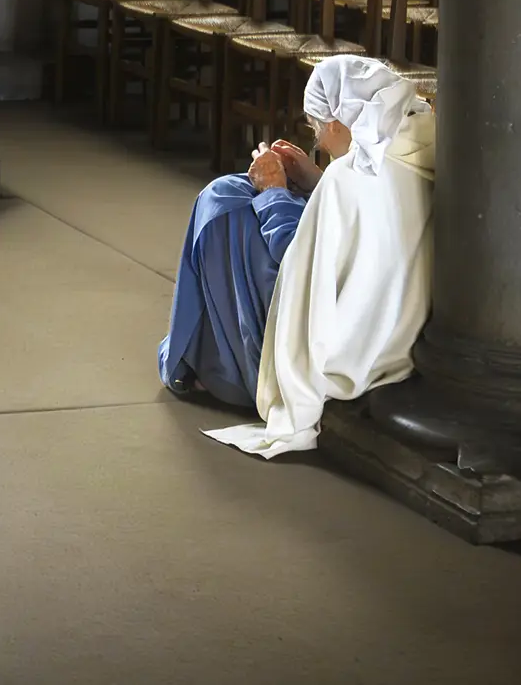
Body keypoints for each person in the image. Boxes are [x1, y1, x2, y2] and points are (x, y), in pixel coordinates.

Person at [157, 54, 436, 457]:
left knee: (224, 202)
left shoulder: (347, 178)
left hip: (342, 346)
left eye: (317, 129)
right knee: (237, 195)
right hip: (393, 333)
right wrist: (314, 181)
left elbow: (300, 266)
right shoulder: (420, 147)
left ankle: (216, 367)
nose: (319, 143)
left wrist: (274, 191)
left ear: (338, 123)